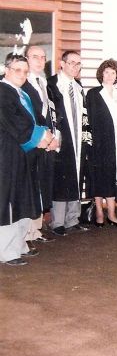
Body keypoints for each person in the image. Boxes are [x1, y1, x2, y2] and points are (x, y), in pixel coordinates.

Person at [0, 55, 54, 265]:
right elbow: (15, 123)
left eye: (25, 71)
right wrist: (41, 137)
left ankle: (19, 245)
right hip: (8, 156)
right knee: (9, 202)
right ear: (7, 70)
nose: (22, 74)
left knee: (23, 200)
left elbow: (36, 120)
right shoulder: (2, 92)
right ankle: (7, 251)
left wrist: (48, 135)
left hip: (24, 154)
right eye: (17, 70)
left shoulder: (21, 93)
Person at [84, 59, 117, 227]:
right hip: (99, 143)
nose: (110, 75)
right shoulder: (93, 94)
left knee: (113, 177)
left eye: (113, 72)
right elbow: (88, 120)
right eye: (106, 72)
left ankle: (112, 213)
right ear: (101, 74)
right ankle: (99, 212)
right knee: (99, 176)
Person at [46, 50, 89, 236]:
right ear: (62, 64)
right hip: (61, 138)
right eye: (72, 62)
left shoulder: (78, 86)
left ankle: (73, 219)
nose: (75, 67)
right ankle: (57, 222)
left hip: (78, 137)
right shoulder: (51, 85)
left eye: (78, 63)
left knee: (76, 176)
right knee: (61, 178)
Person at [23, 45, 58, 245]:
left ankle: (36, 229)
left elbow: (51, 114)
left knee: (41, 185)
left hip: (46, 143)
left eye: (43, 57)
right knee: (30, 186)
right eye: (34, 56)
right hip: (31, 143)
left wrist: (54, 138)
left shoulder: (45, 83)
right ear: (26, 59)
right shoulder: (21, 84)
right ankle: (26, 233)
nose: (39, 60)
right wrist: (40, 138)